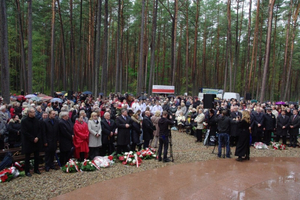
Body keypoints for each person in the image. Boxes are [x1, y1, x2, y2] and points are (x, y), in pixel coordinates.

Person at [21, 107, 41, 177]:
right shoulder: (24, 121)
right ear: (29, 113)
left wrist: (37, 137)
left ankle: (36, 169)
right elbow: (24, 132)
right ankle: (27, 171)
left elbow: (39, 130)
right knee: (27, 157)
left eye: (34, 112)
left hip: (36, 140)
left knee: (37, 156)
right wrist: (32, 138)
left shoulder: (36, 120)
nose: (34, 113)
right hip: (28, 141)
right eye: (32, 112)